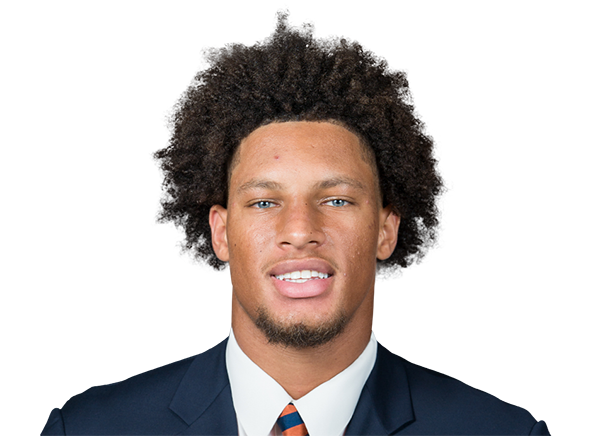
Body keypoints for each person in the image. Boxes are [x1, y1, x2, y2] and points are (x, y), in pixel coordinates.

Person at [41, 16, 550, 436]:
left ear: (385, 230)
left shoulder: (501, 432)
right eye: (264, 202)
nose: (300, 229)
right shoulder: (88, 429)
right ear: (221, 232)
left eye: (336, 199)